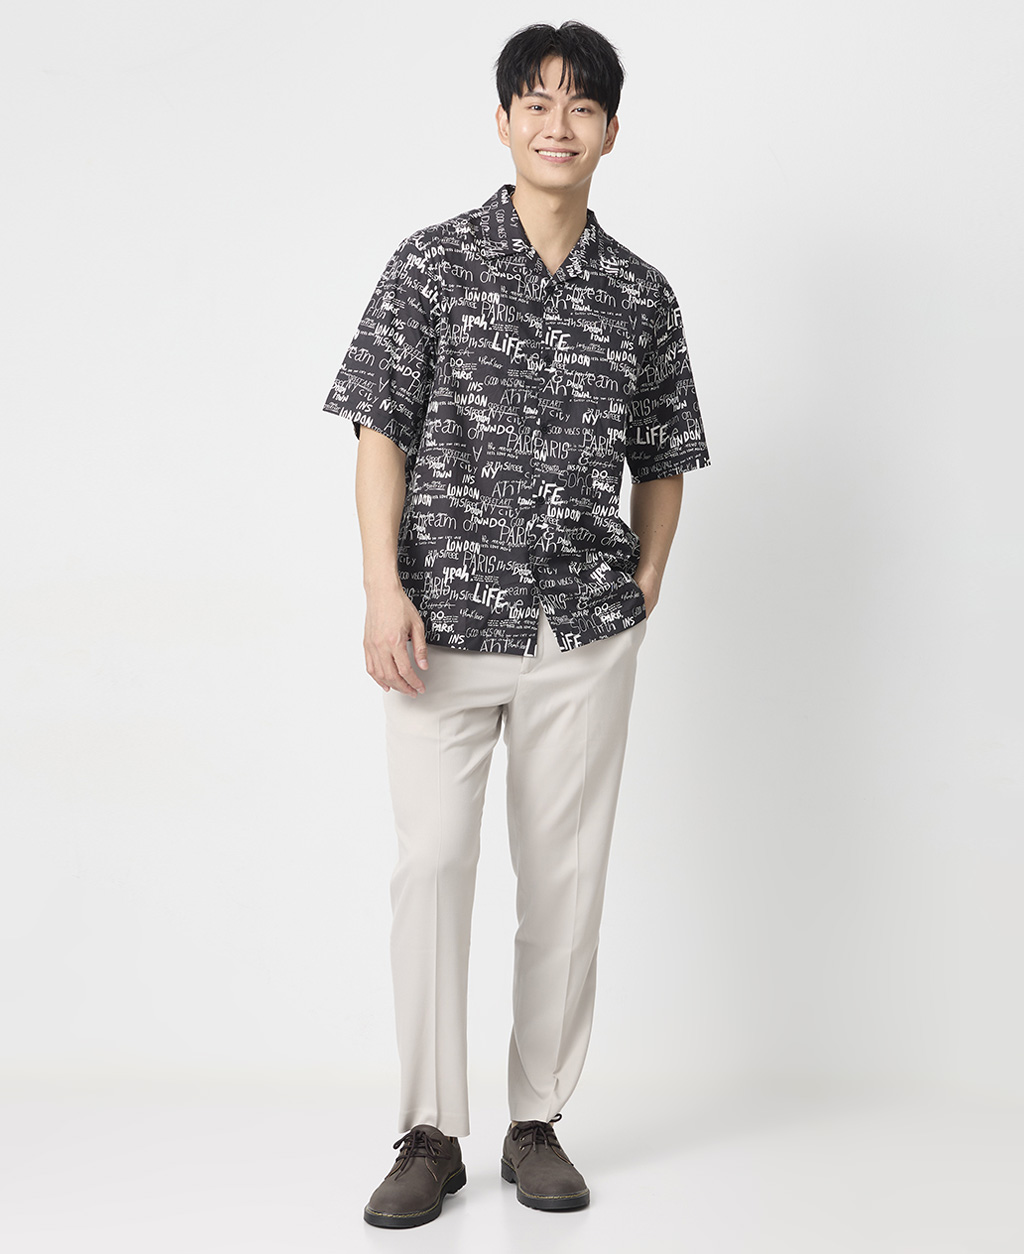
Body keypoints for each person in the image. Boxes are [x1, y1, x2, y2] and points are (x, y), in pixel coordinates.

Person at [322, 20, 711, 1229]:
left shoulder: (639, 293)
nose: (557, 124)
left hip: (579, 634)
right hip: (439, 625)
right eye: (536, 102)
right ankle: (430, 1133)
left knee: (565, 882)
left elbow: (665, 452)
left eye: (580, 106)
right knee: (433, 866)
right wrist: (381, 587)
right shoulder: (431, 266)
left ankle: (535, 1120)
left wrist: (646, 574)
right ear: (501, 122)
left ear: (610, 132)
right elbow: (378, 428)